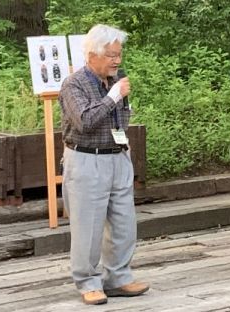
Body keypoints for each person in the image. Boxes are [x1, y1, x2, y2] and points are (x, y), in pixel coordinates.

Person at [58, 24, 149, 306]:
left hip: (117, 156)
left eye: (119, 54)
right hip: (87, 159)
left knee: (124, 223)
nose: (117, 61)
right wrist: (113, 98)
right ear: (92, 55)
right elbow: (84, 121)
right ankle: (87, 281)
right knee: (88, 225)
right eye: (111, 55)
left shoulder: (116, 80)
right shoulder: (74, 84)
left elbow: (120, 117)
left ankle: (119, 278)